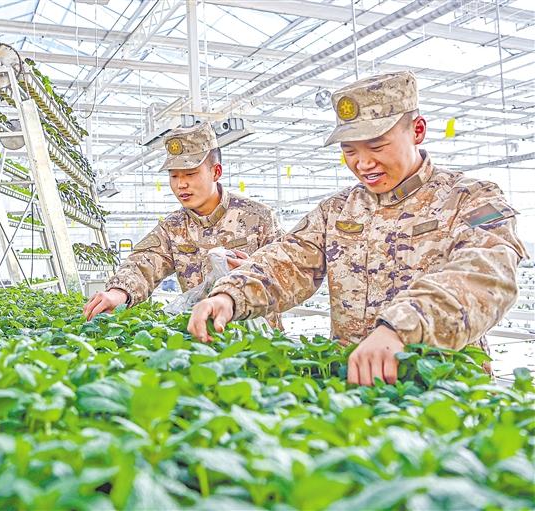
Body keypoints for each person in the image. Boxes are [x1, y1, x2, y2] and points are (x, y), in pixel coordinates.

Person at [188, 71, 526, 386]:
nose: (363, 163)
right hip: (357, 391)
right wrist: (229, 295)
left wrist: (404, 325)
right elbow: (287, 260)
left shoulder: (470, 198)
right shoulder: (336, 211)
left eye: (377, 147)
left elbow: (487, 274)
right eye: (349, 151)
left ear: (418, 130)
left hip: (446, 390)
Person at [84, 122, 284, 325]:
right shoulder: (172, 228)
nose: (181, 184)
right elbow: (143, 263)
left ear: (216, 172)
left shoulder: (259, 218)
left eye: (190, 174)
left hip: (258, 338)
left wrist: (257, 275)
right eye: (174, 176)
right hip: (203, 336)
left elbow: (289, 274)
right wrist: (118, 292)